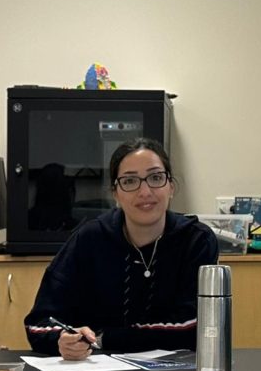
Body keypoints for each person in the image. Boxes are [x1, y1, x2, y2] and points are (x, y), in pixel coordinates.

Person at [25, 138, 218, 358]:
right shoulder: (88, 239)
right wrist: (61, 339)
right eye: (129, 181)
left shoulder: (196, 240)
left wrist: (103, 337)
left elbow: (196, 327)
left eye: (155, 178)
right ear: (115, 193)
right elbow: (38, 324)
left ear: (171, 187)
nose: (145, 191)